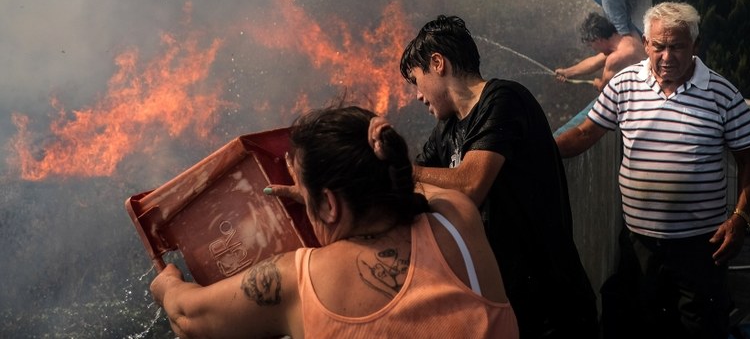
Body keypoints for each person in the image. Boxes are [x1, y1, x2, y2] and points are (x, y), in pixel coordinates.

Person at [150, 105, 519, 339]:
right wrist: (321, 192)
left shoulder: (298, 281)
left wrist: (167, 283)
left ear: (329, 204)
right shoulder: (457, 217)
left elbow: (186, 316)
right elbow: (407, 180)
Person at [554, 1, 750, 339]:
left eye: (677, 46)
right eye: (659, 46)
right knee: (640, 323)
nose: (667, 56)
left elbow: (749, 160)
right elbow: (583, 134)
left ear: (695, 46)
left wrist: (740, 217)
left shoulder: (723, 94)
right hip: (640, 244)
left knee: (699, 327)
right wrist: (535, 151)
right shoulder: (624, 85)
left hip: (702, 245)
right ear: (647, 45)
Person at [400, 15, 599, 338]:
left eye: (416, 80)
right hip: (503, 305)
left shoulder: (504, 99)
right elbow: (410, 183)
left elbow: (469, 185)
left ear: (437, 63)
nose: (418, 95)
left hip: (552, 305)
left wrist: (401, 171)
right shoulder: (446, 130)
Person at [555, 12, 647, 91]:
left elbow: (603, 88)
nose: (593, 49)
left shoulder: (616, 58)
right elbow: (594, 62)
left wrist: (597, 83)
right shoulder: (626, 40)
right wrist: (567, 72)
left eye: (591, 44)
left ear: (598, 39)